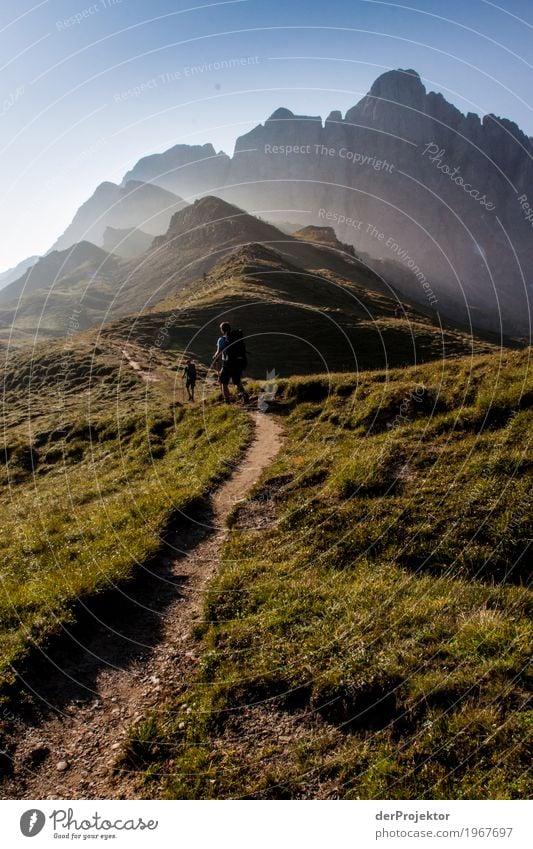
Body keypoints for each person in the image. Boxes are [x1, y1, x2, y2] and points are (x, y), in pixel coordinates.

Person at [213, 321, 249, 404]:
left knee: (223, 382)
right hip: (238, 363)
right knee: (237, 381)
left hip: (227, 364)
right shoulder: (236, 337)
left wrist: (215, 356)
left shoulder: (221, 339)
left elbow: (218, 352)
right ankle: (245, 395)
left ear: (222, 330)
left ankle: (227, 402)